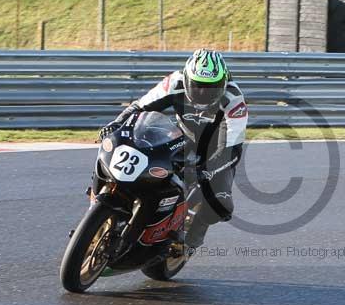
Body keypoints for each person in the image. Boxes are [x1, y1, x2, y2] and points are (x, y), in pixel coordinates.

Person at [99, 49, 248, 248]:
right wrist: (116, 123)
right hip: (182, 138)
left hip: (217, 152)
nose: (203, 93)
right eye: (197, 86)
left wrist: (207, 169)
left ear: (223, 83)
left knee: (221, 204)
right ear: (187, 80)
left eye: (210, 87)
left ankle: (192, 238)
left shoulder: (234, 100)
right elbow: (140, 107)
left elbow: (233, 148)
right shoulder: (174, 83)